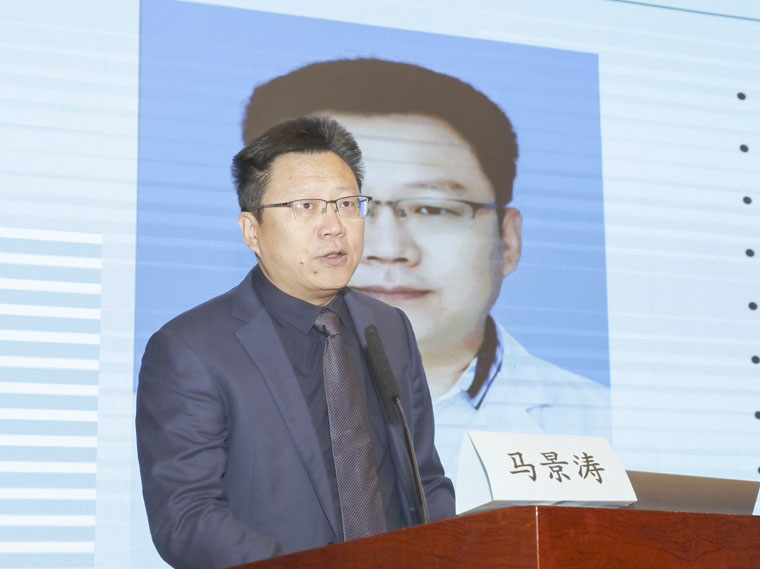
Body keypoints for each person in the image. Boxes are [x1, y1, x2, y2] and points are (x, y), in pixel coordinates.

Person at [241, 59, 611, 484]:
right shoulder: (215, 398)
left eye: (432, 209)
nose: (389, 250)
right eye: (344, 207)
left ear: (508, 240)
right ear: (258, 230)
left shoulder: (599, 422)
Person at [135, 116, 454, 569]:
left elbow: (426, 482)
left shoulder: (389, 328)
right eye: (306, 206)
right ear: (252, 231)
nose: (334, 226)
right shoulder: (191, 349)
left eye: (347, 203)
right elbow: (187, 517)